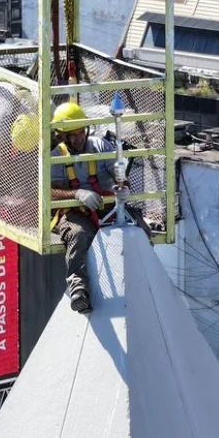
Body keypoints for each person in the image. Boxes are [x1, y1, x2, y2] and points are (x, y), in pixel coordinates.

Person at [50, 101, 132, 314]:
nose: (78, 138)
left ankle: (138, 275)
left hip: (104, 205)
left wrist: (123, 189)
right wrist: (77, 194)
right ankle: (78, 287)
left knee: (137, 227)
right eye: (73, 135)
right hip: (73, 211)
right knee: (78, 235)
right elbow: (51, 191)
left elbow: (119, 175)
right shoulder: (56, 156)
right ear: (62, 136)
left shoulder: (99, 146)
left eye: (80, 133)